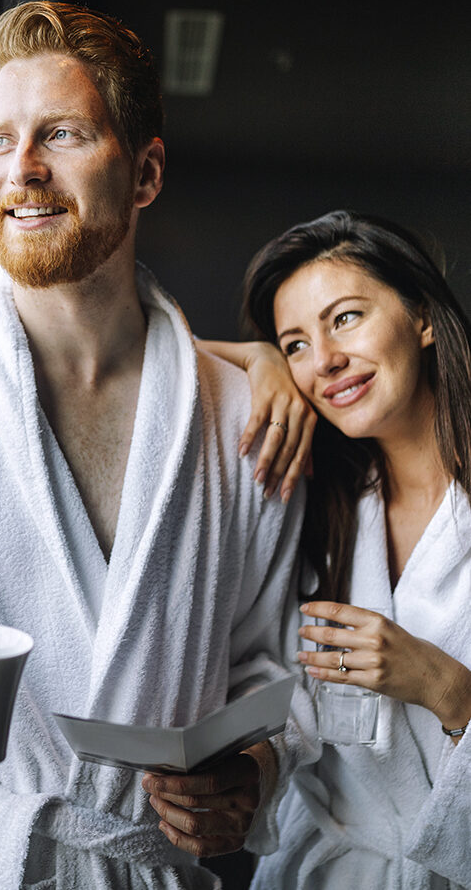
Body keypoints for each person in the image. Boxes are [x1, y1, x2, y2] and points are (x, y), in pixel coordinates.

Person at [0, 1, 307, 889]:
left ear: (145, 173)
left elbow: (269, 662)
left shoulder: (243, 413)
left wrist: (251, 773)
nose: (22, 170)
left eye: (60, 134)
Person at [206, 209, 471, 888]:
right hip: (324, 868)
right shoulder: (319, 506)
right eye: (294, 343)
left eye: (344, 317)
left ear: (418, 316)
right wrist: (255, 358)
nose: (322, 360)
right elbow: (134, 345)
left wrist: (443, 687)